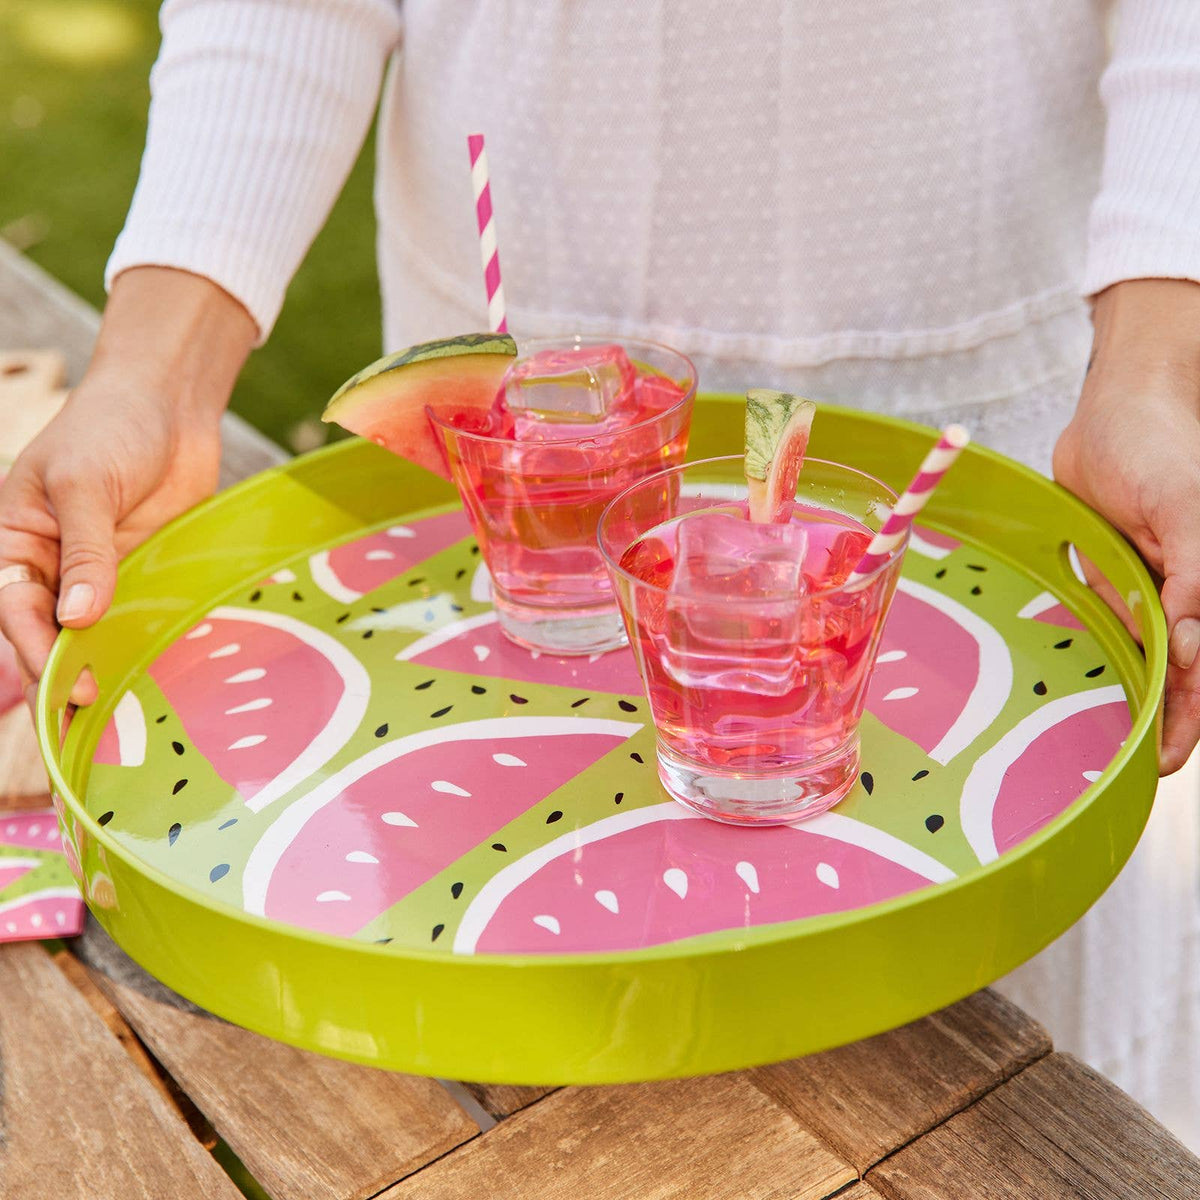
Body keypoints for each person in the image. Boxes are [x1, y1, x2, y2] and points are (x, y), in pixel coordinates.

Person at [2, 0, 1198, 1145]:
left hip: (980, 440)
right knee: (530, 1118)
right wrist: (151, 382)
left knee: (1005, 1112)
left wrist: (1153, 374)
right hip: (495, 423)